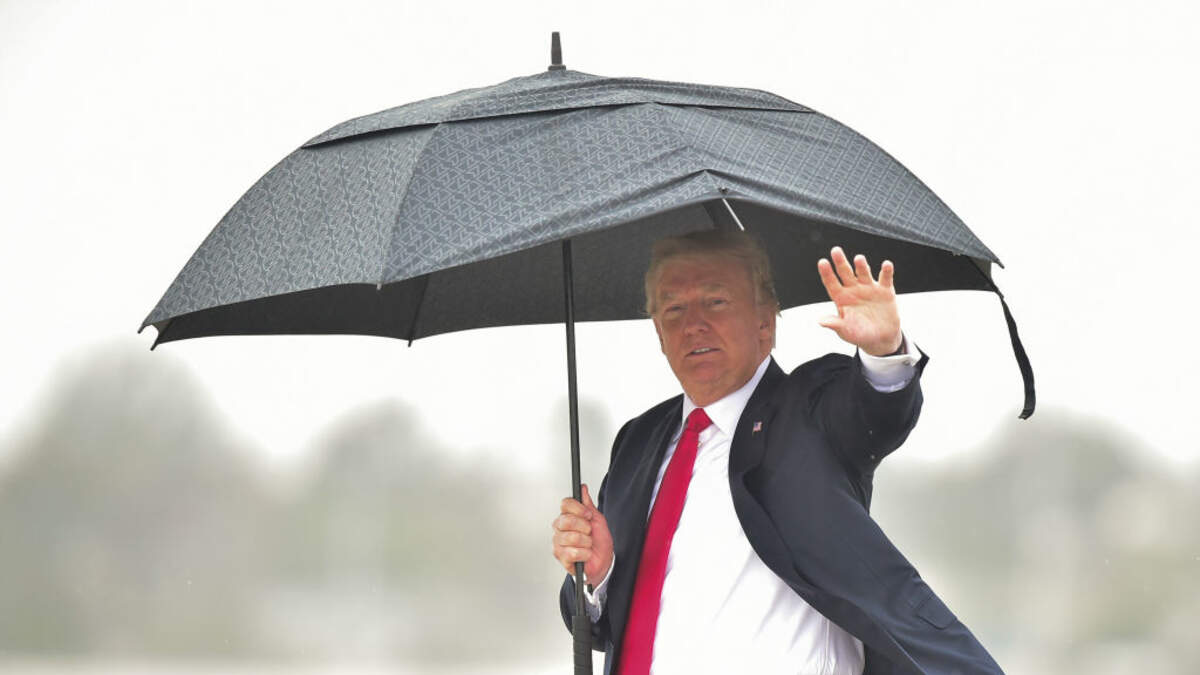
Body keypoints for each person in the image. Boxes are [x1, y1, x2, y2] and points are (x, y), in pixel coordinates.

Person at [551, 231, 1002, 674]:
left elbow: (876, 414)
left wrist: (883, 350)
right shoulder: (637, 441)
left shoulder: (809, 409)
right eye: (673, 309)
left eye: (716, 302)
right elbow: (606, 630)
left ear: (765, 322)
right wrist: (597, 576)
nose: (693, 324)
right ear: (658, 334)